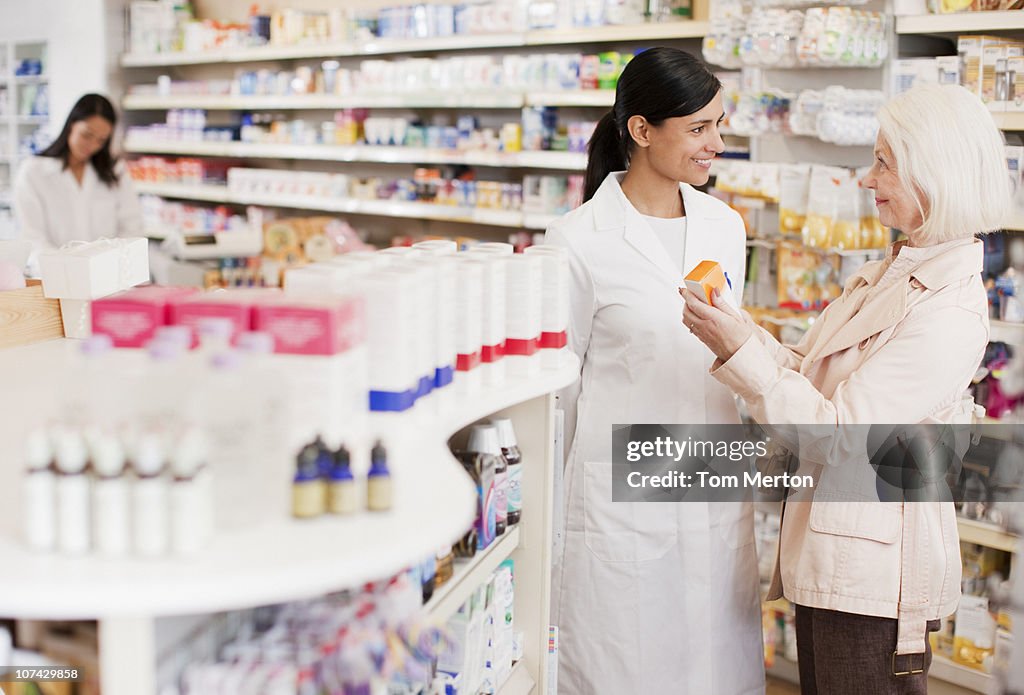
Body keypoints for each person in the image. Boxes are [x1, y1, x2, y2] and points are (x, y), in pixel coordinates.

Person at [681, 83, 1011, 694]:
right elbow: (810, 375)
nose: (867, 178)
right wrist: (740, 331)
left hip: (875, 580)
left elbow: (839, 434)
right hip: (837, 553)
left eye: (885, 162)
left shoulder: (948, 312)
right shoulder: (893, 270)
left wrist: (740, 352)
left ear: (932, 174)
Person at [544, 47, 764, 695]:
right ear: (641, 131)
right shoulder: (577, 241)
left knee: (715, 664)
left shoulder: (726, 227)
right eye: (699, 128)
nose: (716, 143)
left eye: (720, 125)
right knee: (627, 666)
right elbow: (561, 395)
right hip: (618, 501)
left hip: (711, 479)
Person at [14, 93, 141, 254]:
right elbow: (32, 236)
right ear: (71, 124)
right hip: (54, 272)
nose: (92, 145)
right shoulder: (33, 172)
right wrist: (68, 267)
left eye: (101, 140)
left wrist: (110, 263)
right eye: (86, 135)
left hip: (107, 273)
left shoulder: (115, 170)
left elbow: (132, 228)